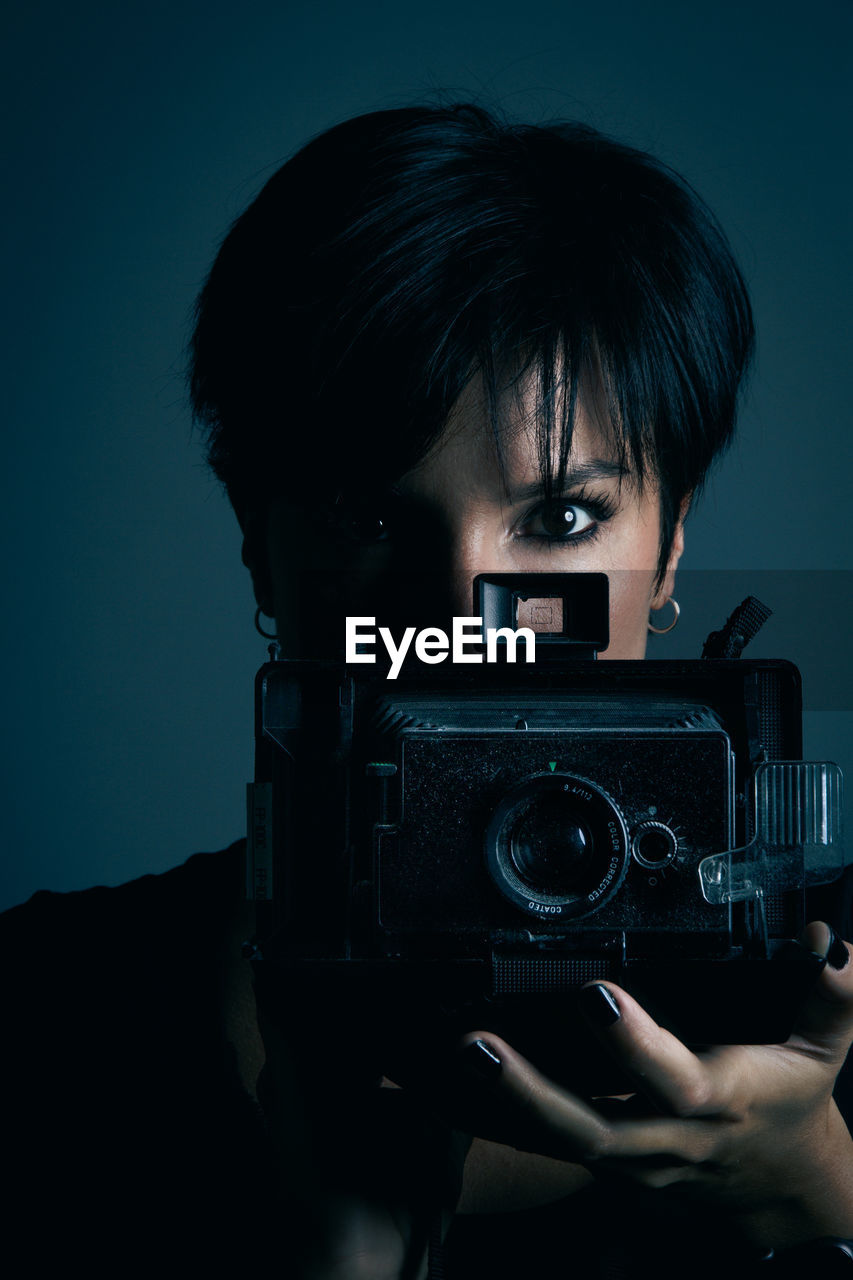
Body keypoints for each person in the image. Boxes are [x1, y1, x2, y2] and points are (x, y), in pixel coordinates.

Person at [3, 103, 851, 1278]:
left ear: (667, 549)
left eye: (558, 518)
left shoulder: (822, 975)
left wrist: (816, 1191)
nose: (466, 610)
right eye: (367, 517)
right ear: (264, 545)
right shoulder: (43, 1013)